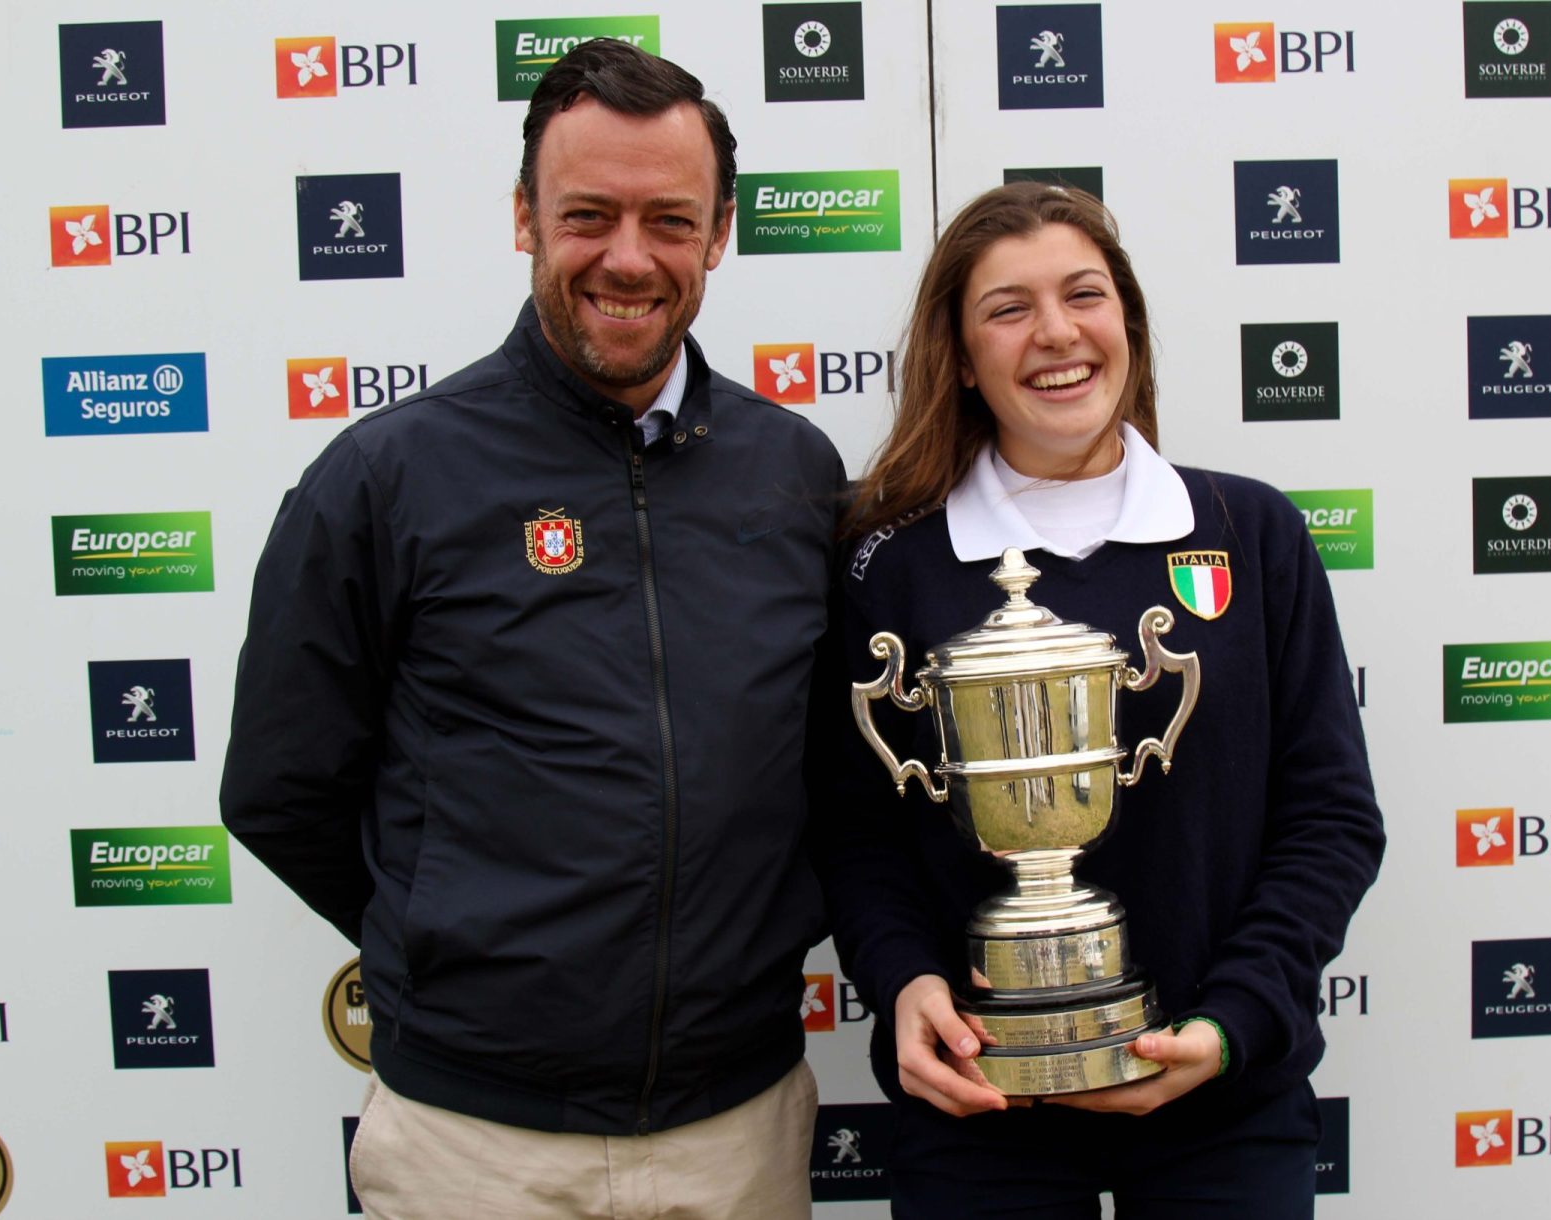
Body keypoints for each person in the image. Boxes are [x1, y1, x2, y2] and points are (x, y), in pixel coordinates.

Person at [220, 40, 843, 1220]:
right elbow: (279, 787)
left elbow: (826, 773)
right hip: (475, 1144)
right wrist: (463, 946)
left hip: (739, 1129)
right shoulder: (388, 474)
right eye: (587, 214)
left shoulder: (795, 472)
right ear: (523, 217)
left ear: (718, 235)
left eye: (670, 220)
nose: (628, 256)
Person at [820, 182, 1385, 1218]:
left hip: (1227, 1106)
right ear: (961, 350)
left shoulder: (1248, 531)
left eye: (1084, 294)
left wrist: (1233, 1022)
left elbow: (1331, 818)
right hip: (979, 1108)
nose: (1055, 333)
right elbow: (859, 835)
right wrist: (904, 982)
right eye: (1008, 308)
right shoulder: (886, 561)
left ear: (1125, 318)